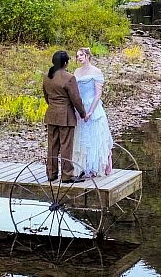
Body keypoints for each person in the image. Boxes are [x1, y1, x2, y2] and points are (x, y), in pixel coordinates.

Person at [41, 50, 87, 182]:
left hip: (51, 114)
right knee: (66, 146)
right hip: (65, 116)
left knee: (52, 145)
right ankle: (67, 175)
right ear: (65, 63)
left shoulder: (47, 76)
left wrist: (53, 106)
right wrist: (82, 113)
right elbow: (76, 99)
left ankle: (51, 173)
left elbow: (46, 96)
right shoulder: (69, 78)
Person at [71, 47, 113, 178]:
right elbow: (75, 91)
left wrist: (90, 112)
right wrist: (79, 109)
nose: (79, 58)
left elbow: (98, 94)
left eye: (81, 55)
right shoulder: (77, 71)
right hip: (80, 104)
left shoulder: (96, 71)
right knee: (81, 137)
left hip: (93, 106)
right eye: (77, 56)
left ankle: (95, 167)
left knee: (94, 135)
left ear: (87, 55)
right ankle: (82, 167)